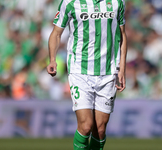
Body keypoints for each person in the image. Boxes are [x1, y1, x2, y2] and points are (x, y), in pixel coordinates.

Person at [47, 0, 127, 149]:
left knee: (100, 130)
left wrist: (122, 68)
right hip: (80, 71)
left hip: (108, 72)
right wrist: (52, 59)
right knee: (86, 126)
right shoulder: (70, 3)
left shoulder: (117, 2)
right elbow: (56, 33)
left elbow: (122, 35)